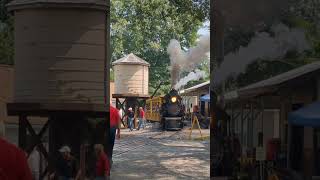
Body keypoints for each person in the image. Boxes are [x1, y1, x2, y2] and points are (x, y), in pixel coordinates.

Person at [109, 102, 121, 167]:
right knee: (111, 144)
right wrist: (118, 132)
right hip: (112, 129)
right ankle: (109, 158)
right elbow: (118, 122)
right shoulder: (115, 110)